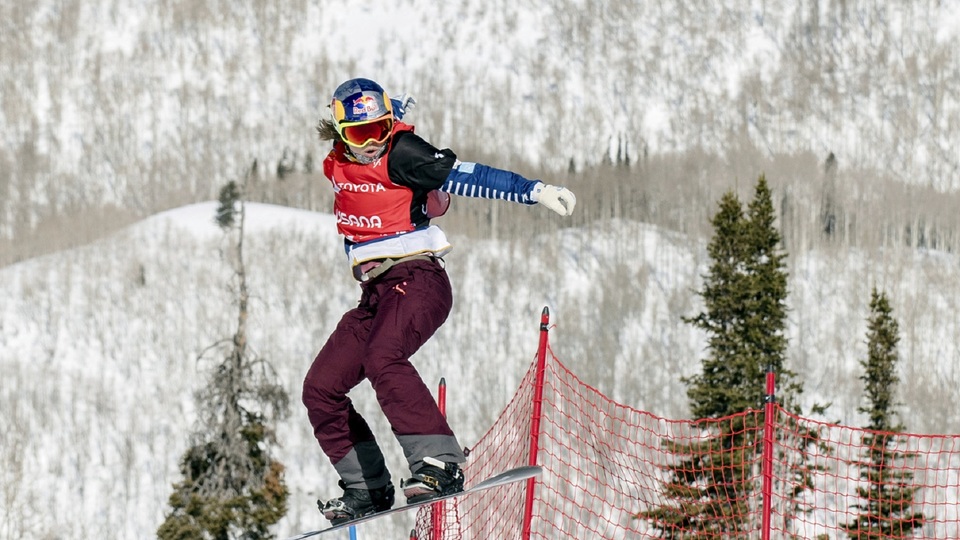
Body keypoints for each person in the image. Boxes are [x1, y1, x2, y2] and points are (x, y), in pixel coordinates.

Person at [302, 77, 576, 525]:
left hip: (419, 279)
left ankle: (440, 462)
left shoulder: (403, 152)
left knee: (382, 357)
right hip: (376, 292)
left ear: (391, 124)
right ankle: (366, 487)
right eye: (358, 134)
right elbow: (412, 197)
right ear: (338, 133)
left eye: (380, 129)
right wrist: (428, 197)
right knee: (321, 388)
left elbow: (468, 176)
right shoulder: (336, 165)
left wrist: (535, 190)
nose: (372, 143)